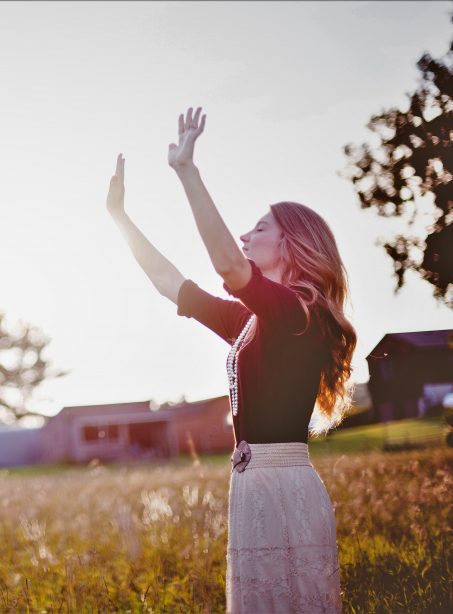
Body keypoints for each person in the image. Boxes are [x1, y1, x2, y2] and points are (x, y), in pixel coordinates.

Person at [106, 107, 355, 613]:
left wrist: (187, 172)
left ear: (292, 243)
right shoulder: (254, 321)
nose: (245, 236)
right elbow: (170, 283)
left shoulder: (298, 313)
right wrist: (120, 219)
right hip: (253, 487)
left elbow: (227, 264)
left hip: (284, 488)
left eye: (258, 229)